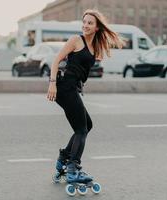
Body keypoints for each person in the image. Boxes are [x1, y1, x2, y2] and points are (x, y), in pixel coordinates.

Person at [47, 9, 125, 183]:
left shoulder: (93, 46)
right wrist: (52, 84)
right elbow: (56, 60)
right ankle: (73, 169)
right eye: (84, 22)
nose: (85, 25)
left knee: (87, 125)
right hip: (64, 87)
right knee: (81, 129)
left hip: (72, 88)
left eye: (90, 23)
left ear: (97, 27)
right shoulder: (76, 40)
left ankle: (63, 159)